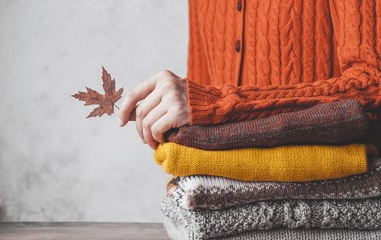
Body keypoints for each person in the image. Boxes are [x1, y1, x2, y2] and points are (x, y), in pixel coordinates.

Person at [118, 0, 381, 150]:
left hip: (332, 200)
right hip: (223, 216)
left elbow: (373, 86)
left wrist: (216, 103)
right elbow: (199, 122)